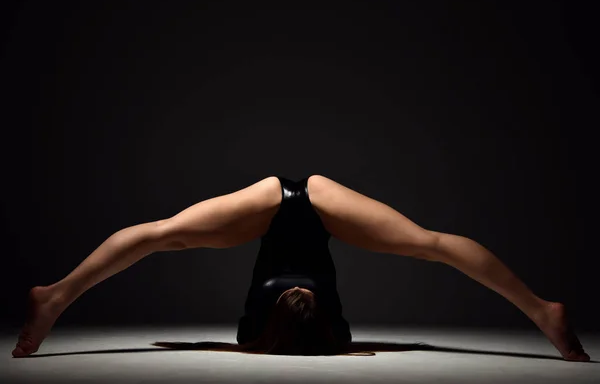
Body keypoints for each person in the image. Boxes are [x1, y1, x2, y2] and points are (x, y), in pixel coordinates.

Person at [11, 175, 590, 360]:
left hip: (279, 201)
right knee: (431, 243)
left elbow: (229, 346)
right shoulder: (272, 335)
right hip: (311, 201)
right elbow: (235, 345)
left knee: (165, 234)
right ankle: (542, 311)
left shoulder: (301, 334)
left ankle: (57, 296)